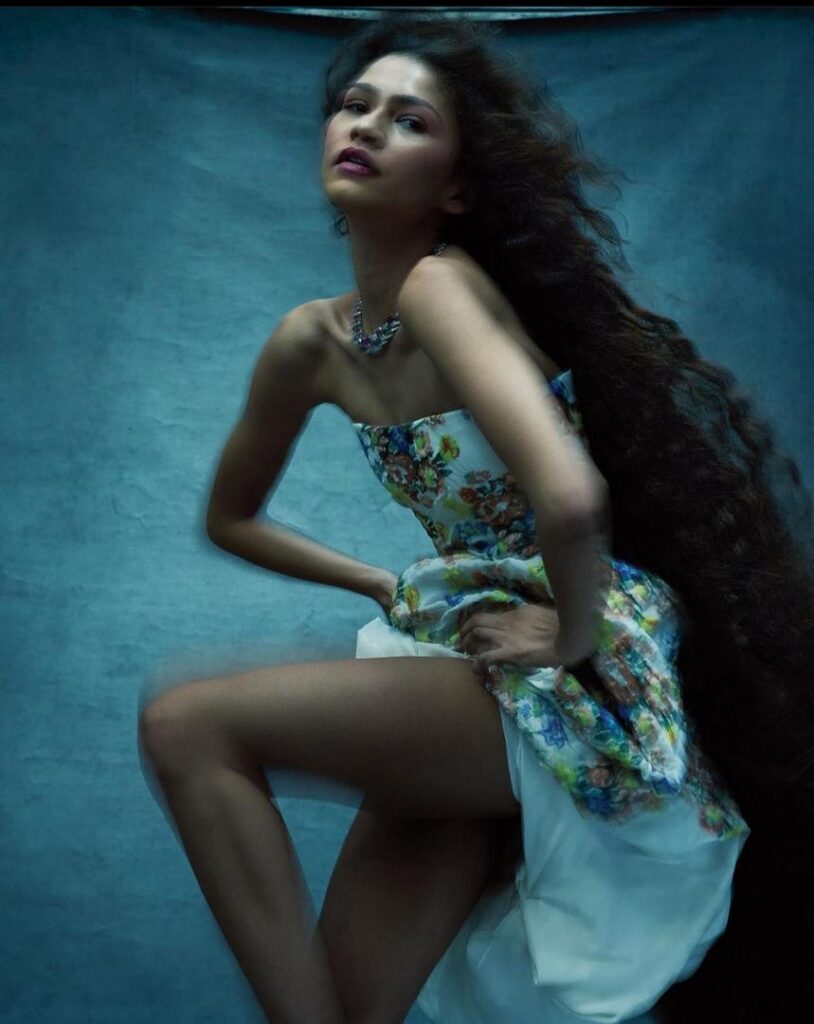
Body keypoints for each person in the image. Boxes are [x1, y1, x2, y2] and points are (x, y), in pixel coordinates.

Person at [137, 13, 814, 1024]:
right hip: (468, 647)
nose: (366, 126)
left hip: (572, 671)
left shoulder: (440, 285)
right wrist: (376, 582)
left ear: (455, 189)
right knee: (350, 1006)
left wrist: (567, 636)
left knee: (185, 721)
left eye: (409, 119)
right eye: (355, 105)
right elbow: (231, 519)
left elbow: (571, 497)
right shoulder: (309, 341)